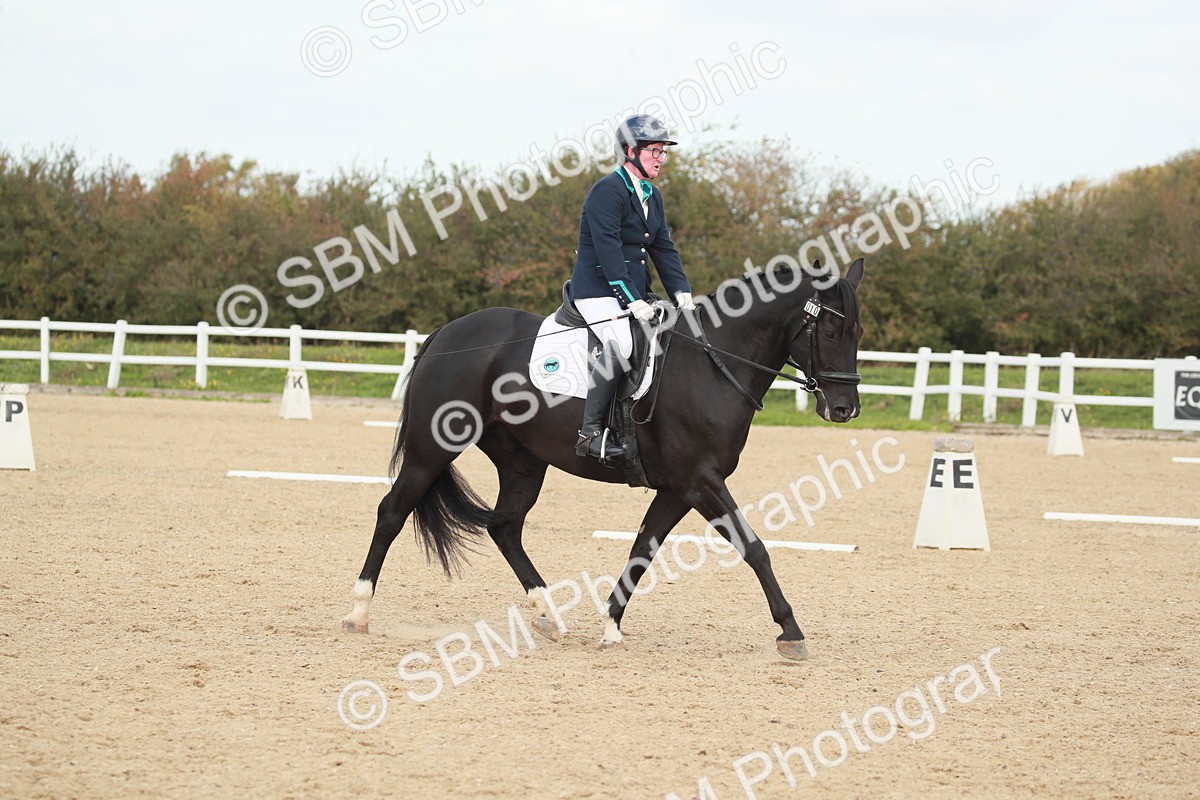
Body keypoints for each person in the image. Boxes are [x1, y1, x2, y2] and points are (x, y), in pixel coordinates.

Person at [570, 115, 697, 461]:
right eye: (654, 151)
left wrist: (682, 292)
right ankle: (590, 433)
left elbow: (663, 248)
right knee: (622, 342)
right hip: (597, 292)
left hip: (634, 294)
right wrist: (631, 300)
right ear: (630, 151)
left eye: (662, 152)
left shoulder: (652, 196)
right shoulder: (606, 191)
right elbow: (609, 252)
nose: (660, 157)